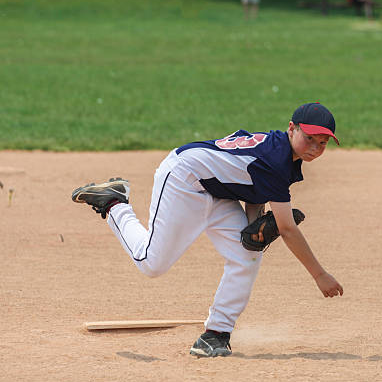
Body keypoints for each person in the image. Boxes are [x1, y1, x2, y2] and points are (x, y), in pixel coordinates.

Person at [71, 102, 344, 358]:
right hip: (183, 178)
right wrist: (319, 275)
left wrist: (253, 224)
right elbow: (287, 229)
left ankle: (216, 334)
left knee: (246, 254)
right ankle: (114, 202)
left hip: (218, 189)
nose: (315, 148)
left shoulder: (280, 153)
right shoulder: (276, 160)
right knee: (151, 262)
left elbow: (255, 187)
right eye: (309, 138)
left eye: (322, 143)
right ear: (291, 128)